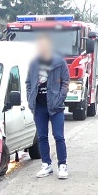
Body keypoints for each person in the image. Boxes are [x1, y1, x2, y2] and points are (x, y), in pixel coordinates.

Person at [26, 34, 70, 180]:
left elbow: (65, 82)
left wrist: (60, 98)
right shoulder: (34, 64)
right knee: (42, 137)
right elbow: (28, 83)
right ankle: (46, 165)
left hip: (56, 107)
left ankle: (62, 165)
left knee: (58, 136)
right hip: (39, 106)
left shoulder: (59, 62)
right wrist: (30, 100)